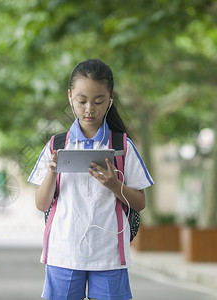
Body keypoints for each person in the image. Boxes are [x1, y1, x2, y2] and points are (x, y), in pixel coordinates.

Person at [28, 59, 154, 300]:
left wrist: (113, 185)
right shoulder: (57, 145)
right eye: (82, 101)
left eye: (98, 101)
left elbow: (140, 202)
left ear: (110, 99)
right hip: (63, 252)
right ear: (70, 97)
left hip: (109, 254)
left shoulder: (121, 146)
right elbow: (42, 204)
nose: (89, 109)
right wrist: (52, 171)